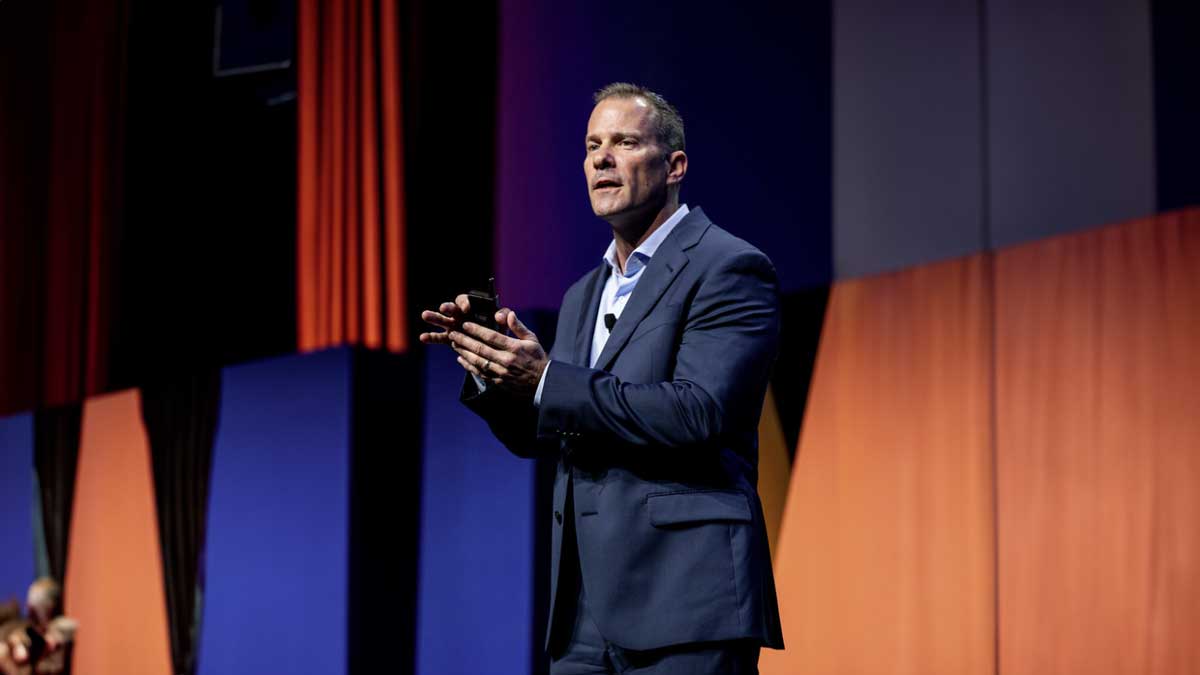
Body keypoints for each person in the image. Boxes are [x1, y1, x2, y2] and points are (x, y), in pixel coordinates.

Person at [420, 82, 783, 673]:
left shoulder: (729, 266)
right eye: (592, 146)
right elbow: (551, 431)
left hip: (685, 601)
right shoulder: (582, 294)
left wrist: (548, 379)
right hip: (583, 614)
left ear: (674, 166)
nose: (601, 160)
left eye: (624, 142)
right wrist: (496, 370)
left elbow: (698, 413)